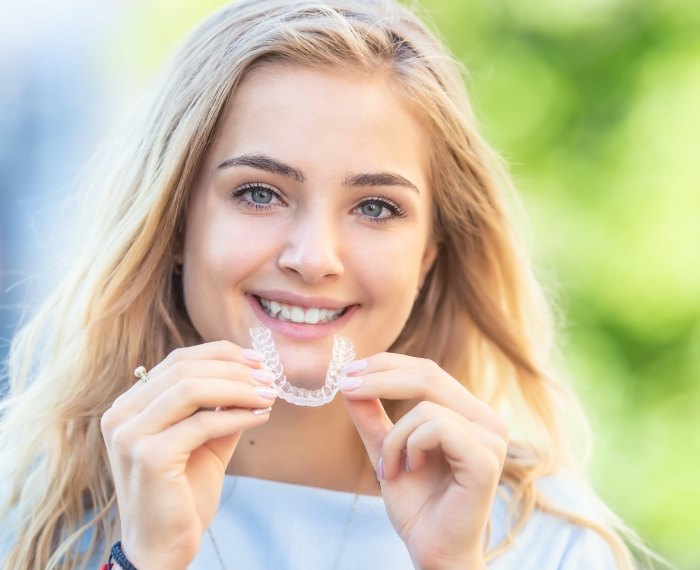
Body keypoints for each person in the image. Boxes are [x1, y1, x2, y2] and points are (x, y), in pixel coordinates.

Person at [0, 0, 655, 568]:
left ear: (429, 253)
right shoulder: (33, 518)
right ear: (175, 225)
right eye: (259, 193)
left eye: (375, 207)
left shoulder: (547, 542)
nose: (314, 259)